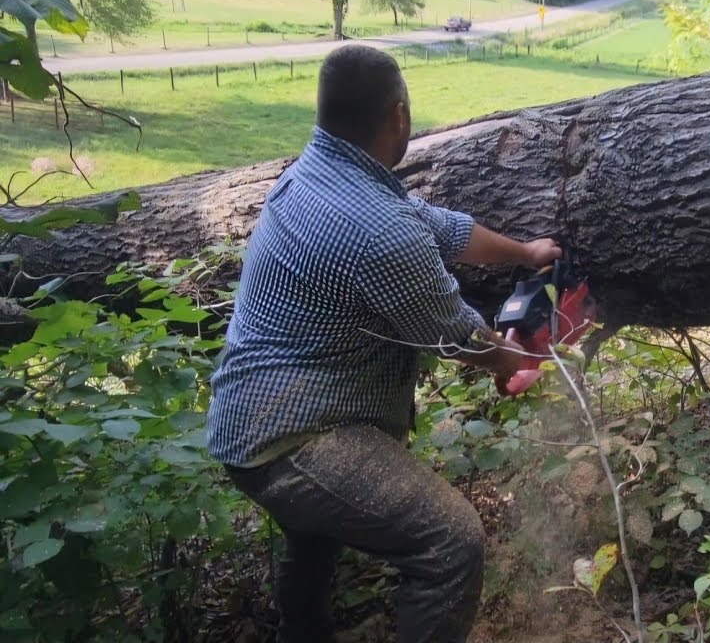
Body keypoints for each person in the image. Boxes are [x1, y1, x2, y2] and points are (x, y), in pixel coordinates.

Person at [205, 43, 560, 643]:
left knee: (313, 537)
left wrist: (526, 253)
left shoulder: (319, 173)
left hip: (245, 421)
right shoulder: (377, 230)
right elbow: (454, 338)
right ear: (398, 116)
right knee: (450, 541)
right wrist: (515, 359)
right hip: (294, 441)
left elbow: (439, 227)